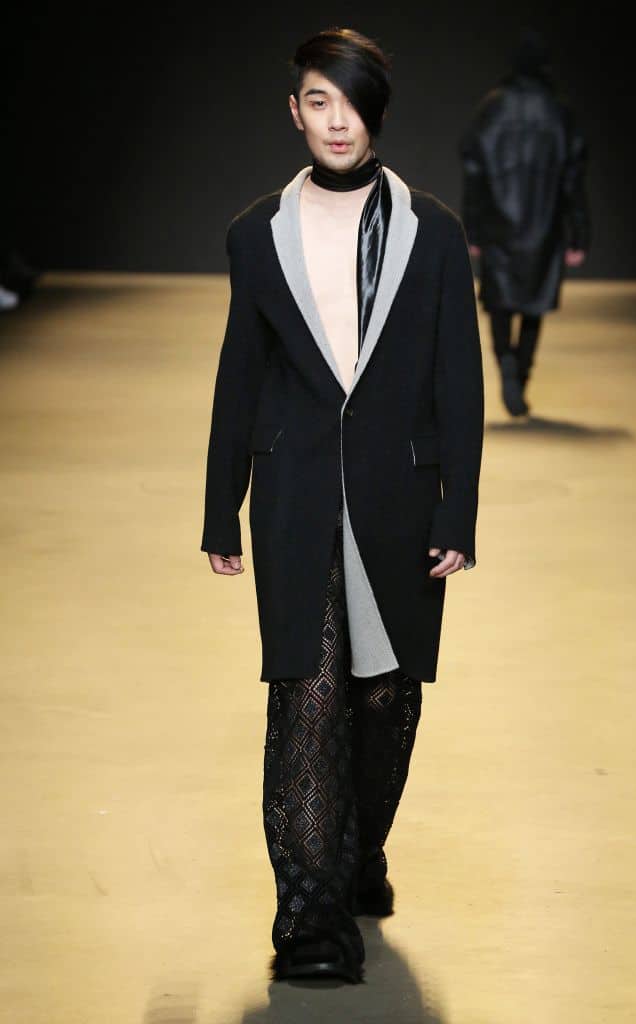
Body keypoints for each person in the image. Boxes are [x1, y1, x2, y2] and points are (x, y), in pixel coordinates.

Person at [200, 27, 483, 984]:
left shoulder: (432, 233)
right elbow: (240, 375)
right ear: (295, 111)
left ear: (377, 114)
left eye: (352, 103)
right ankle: (311, 922)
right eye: (319, 100)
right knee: (308, 694)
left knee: (385, 698)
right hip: (294, 493)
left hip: (398, 493)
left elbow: (459, 382)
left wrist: (458, 512)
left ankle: (359, 850)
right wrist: (221, 505)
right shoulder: (256, 234)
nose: (337, 121)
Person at [460, 30, 590, 416]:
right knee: (535, 302)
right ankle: (522, 372)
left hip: (498, 224)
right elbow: (573, 179)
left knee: (499, 302)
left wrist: (473, 227)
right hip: (544, 224)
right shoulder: (558, 111)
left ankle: (506, 364)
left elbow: (474, 172)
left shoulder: (492, 109)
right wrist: (579, 235)